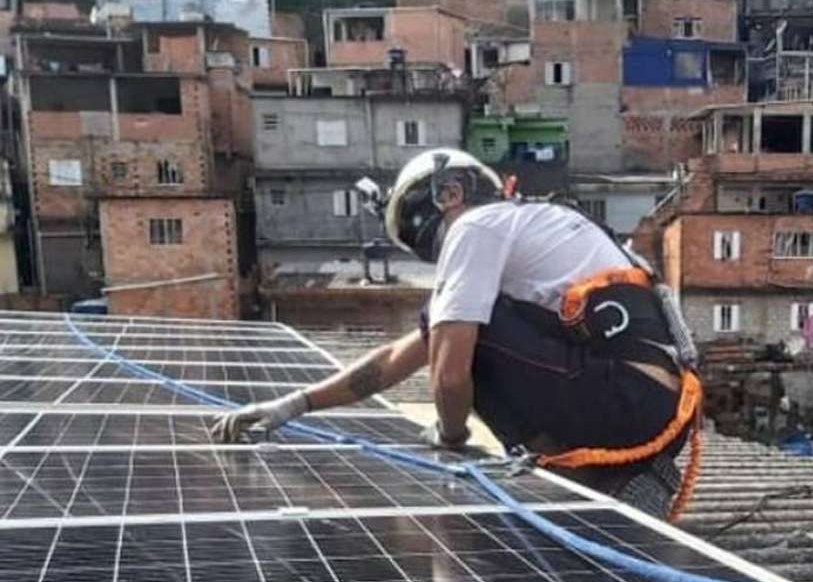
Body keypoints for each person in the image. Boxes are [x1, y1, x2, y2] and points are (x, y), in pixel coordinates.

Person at [212, 149, 702, 518]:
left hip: (624, 399)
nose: (436, 255)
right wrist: (292, 405)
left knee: (464, 342)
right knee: (455, 331)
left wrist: (451, 435)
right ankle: (612, 474)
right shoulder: (537, 229)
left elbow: (448, 376)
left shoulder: (477, 226)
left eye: (426, 240)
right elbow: (395, 359)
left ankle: (579, 474)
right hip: (656, 410)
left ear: (450, 195)